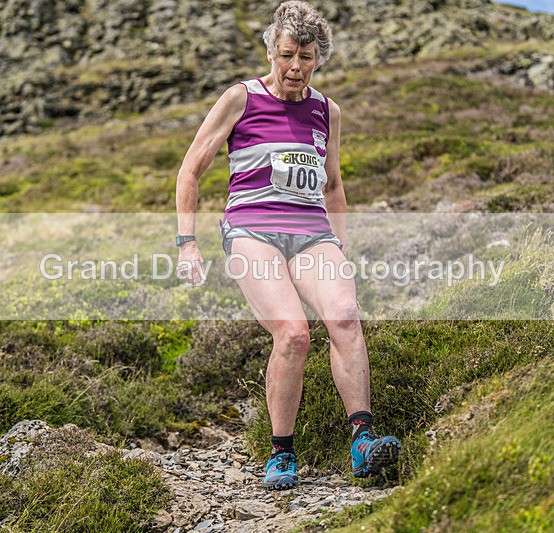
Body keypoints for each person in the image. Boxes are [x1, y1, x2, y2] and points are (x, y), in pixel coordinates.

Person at [175, 0, 400, 490]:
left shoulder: (327, 111)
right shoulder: (240, 98)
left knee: (344, 316)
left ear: (319, 59)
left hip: (312, 233)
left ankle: (362, 441)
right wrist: (187, 242)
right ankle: (281, 452)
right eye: (287, 55)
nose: (295, 66)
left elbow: (333, 185)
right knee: (294, 334)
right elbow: (191, 169)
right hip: (252, 230)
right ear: (271, 52)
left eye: (306, 57)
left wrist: (339, 247)